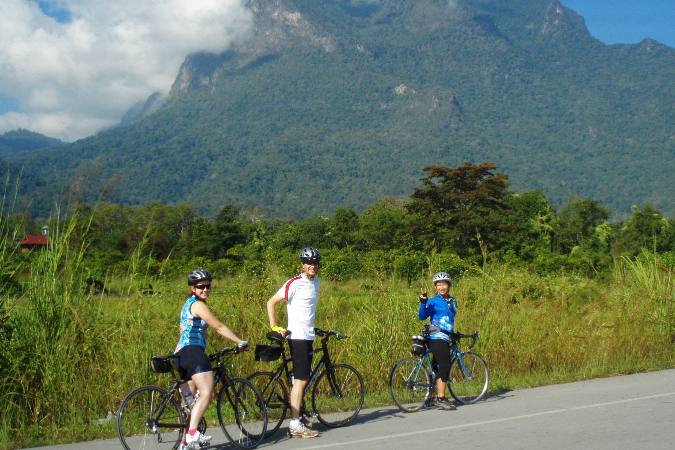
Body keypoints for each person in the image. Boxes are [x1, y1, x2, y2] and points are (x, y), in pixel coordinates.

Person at [175, 269, 249, 449]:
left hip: (180, 355)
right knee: (207, 392)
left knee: (189, 404)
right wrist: (240, 341)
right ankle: (192, 433)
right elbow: (218, 326)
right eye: (201, 286)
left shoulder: (187, 305)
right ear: (193, 288)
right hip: (193, 352)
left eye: (208, 286)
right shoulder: (199, 305)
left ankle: (184, 443)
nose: (205, 289)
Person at [266, 247, 321, 438]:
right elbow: (271, 302)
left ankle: (300, 415)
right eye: (308, 263)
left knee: (301, 378)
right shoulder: (294, 283)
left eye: (314, 262)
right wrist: (274, 326)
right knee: (301, 379)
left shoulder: (316, 283)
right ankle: (295, 423)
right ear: (302, 265)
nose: (311, 266)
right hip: (297, 336)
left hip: (308, 336)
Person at [418, 271, 458, 410]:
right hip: (436, 336)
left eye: (444, 284)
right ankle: (441, 398)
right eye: (439, 284)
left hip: (446, 336)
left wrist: (453, 333)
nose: (441, 287)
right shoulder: (433, 301)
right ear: (436, 287)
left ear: (449, 285)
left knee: (436, 368)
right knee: (445, 365)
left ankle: (431, 397)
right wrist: (423, 303)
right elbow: (422, 316)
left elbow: (450, 319)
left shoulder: (452, 301)